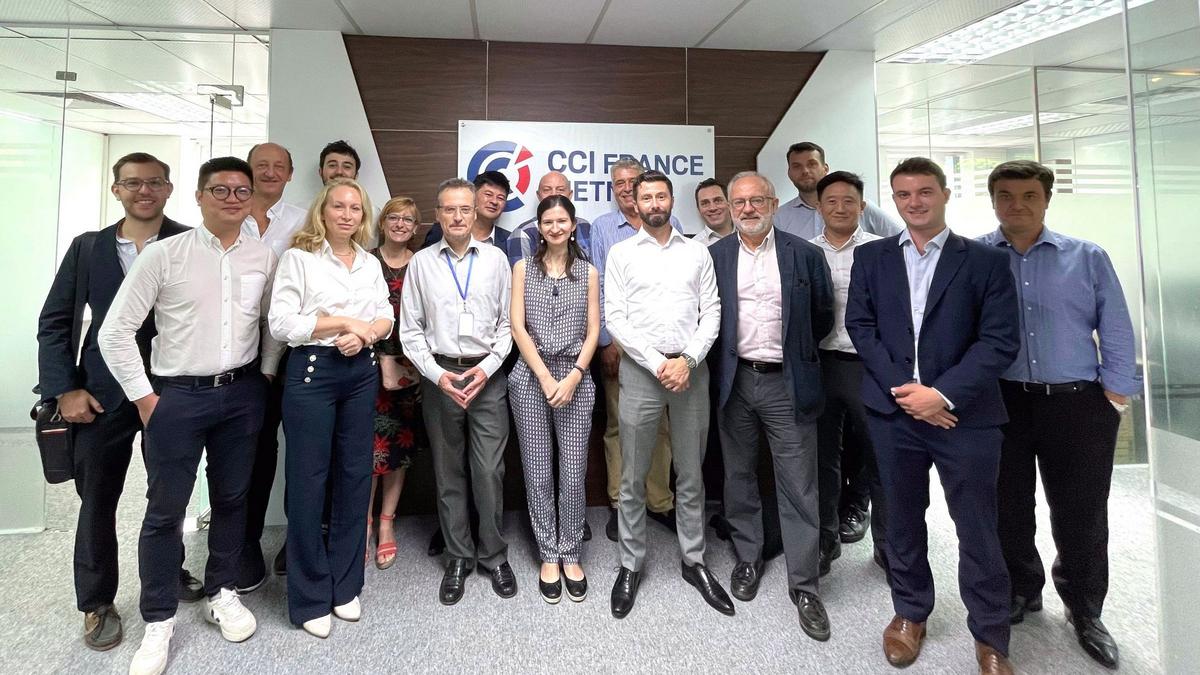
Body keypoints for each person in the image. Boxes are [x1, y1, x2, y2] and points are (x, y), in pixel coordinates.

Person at [98, 156, 282, 675]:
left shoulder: (263, 257)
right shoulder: (164, 255)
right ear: (199, 197)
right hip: (176, 397)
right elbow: (114, 332)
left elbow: (270, 322)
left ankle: (221, 592)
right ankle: (158, 619)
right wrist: (144, 398)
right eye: (220, 190)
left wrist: (266, 374)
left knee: (232, 499)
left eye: (241, 191)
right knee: (165, 511)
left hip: (241, 393)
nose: (232, 199)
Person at [846, 157, 1019, 675]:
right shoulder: (872, 256)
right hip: (894, 412)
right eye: (903, 194)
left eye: (924, 192)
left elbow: (998, 341)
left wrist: (940, 395)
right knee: (901, 519)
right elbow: (861, 326)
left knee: (978, 526)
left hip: (964, 417)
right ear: (893, 200)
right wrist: (908, 394)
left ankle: (991, 636)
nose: (914, 202)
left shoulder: (985, 261)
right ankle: (910, 612)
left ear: (944, 194)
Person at [37, 152, 203, 653]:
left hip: (168, 389)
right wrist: (63, 388)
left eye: (154, 182)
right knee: (97, 499)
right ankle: (96, 601)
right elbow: (55, 320)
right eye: (133, 183)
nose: (144, 191)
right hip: (100, 394)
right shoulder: (88, 248)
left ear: (169, 189)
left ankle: (168, 571)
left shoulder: (189, 241)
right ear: (117, 190)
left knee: (169, 493)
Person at [980, 160, 1139, 670]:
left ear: (1046, 199)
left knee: (1081, 511)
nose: (1017, 205)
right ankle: (1020, 589)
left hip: (1076, 402)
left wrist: (1116, 394)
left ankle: (1085, 608)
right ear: (993, 201)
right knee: (1006, 503)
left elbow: (1115, 324)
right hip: (1002, 400)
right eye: (1006, 196)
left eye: (1029, 195)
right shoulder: (976, 256)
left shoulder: (1086, 257)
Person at [708, 171, 834, 640]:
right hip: (735, 380)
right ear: (730, 207)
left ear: (774, 204)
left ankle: (805, 585)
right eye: (739, 202)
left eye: (756, 200)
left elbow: (821, 317)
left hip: (788, 383)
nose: (747, 209)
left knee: (798, 483)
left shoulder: (806, 255)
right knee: (739, 475)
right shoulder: (715, 256)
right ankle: (747, 557)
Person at [269, 178, 392, 638]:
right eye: (338, 206)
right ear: (323, 210)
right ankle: (309, 597)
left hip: (360, 371)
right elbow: (281, 323)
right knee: (308, 481)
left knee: (355, 477)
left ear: (363, 216)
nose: (346, 215)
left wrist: (365, 333)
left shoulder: (369, 263)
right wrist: (343, 322)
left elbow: (385, 314)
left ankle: (345, 585)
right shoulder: (299, 258)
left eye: (355, 208)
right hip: (312, 374)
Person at [605, 170, 727, 619]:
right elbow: (616, 317)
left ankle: (694, 561)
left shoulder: (697, 251)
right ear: (635, 204)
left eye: (661, 196)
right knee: (633, 475)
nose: (654, 203)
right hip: (642, 372)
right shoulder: (621, 253)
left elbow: (712, 310)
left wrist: (687, 360)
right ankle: (631, 564)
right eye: (647, 197)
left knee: (690, 473)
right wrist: (659, 363)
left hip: (690, 372)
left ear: (672, 200)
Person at [398, 177, 516, 605]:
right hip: (440, 376)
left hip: (488, 375)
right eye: (449, 209)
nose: (458, 216)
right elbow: (410, 330)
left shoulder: (497, 260)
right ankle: (459, 556)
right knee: (448, 471)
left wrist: (486, 369)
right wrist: (437, 375)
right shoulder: (421, 264)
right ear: (438, 215)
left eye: (465, 209)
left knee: (489, 471)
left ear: (475, 211)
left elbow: (508, 324)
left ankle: (494, 555)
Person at [509, 195, 599, 603]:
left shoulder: (588, 272)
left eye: (562, 220)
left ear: (573, 225)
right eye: (548, 221)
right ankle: (548, 552)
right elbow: (517, 327)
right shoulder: (523, 269)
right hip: (532, 377)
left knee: (574, 471)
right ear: (539, 227)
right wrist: (545, 378)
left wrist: (575, 375)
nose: (555, 227)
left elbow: (594, 330)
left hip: (576, 376)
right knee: (538, 471)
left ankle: (571, 551)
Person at [589, 158, 681, 542]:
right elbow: (598, 287)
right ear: (613, 189)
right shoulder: (602, 227)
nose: (626, 188)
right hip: (621, 344)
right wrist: (607, 342)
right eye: (619, 183)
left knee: (661, 427)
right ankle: (619, 503)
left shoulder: (671, 225)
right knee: (618, 426)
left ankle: (659, 501)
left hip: (662, 348)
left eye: (632, 181)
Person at [810, 171, 888, 577]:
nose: (840, 208)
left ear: (862, 205)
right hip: (821, 364)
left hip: (869, 366)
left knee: (881, 455)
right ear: (819, 206)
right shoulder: (805, 252)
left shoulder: (883, 250)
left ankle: (889, 548)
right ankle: (825, 541)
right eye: (831, 201)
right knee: (823, 457)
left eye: (848, 201)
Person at [238, 141, 309, 591]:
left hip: (290, 355)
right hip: (235, 354)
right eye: (260, 166)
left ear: (289, 173)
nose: (269, 172)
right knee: (251, 454)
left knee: (302, 453)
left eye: (277, 166)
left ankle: (295, 542)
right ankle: (244, 544)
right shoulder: (229, 217)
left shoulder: (303, 221)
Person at [367, 197, 429, 570]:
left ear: (416, 227)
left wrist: (420, 367)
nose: (401, 224)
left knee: (397, 451)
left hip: (409, 368)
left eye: (409, 219)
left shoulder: (421, 264)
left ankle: (387, 522)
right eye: (394, 217)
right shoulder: (364, 261)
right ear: (382, 222)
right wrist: (378, 359)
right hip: (365, 368)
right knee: (364, 450)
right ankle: (363, 523)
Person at [774, 141, 901, 241]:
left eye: (812, 164)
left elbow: (900, 238)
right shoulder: (779, 218)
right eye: (797, 166)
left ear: (825, 169)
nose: (805, 171)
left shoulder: (859, 207)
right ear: (789, 173)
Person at [506, 171, 593, 266]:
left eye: (560, 190)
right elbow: (521, 273)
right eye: (547, 190)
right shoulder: (523, 233)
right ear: (538, 195)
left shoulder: (585, 226)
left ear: (570, 194)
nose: (553, 194)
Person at [422, 170, 512, 250]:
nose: (494, 201)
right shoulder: (440, 230)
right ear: (473, 195)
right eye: (488, 194)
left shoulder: (510, 239)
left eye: (500, 198)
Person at [693, 177, 734, 246]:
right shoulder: (694, 247)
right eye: (705, 203)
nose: (712, 208)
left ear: (729, 203)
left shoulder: (749, 236)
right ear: (699, 209)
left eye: (718, 201)